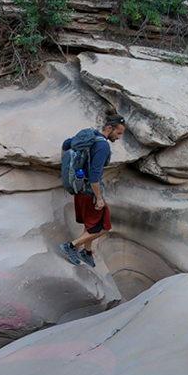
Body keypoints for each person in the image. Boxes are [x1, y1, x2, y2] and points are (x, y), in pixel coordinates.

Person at [59, 114, 126, 267]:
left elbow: (66, 143)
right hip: (91, 192)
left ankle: (87, 252)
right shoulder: (103, 146)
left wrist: (65, 166)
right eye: (118, 133)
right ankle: (71, 246)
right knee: (102, 227)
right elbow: (95, 175)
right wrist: (99, 198)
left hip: (79, 186)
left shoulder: (89, 135)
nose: (119, 137)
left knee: (90, 223)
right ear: (110, 128)